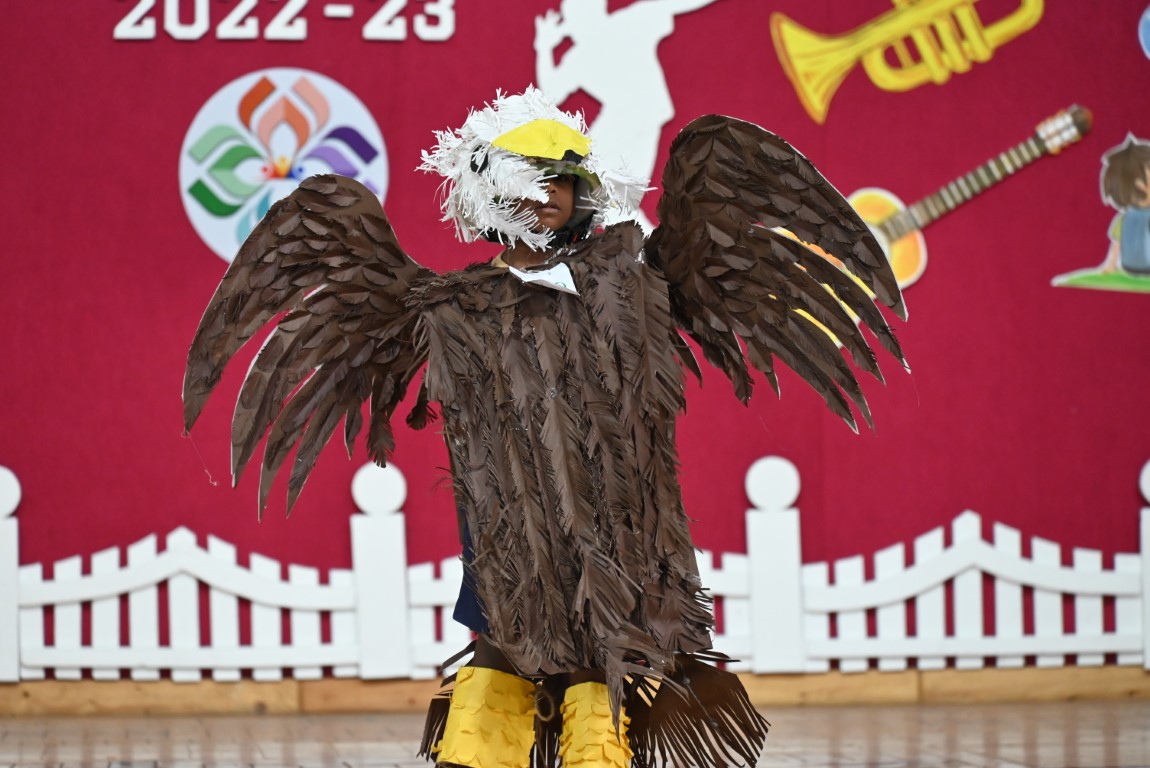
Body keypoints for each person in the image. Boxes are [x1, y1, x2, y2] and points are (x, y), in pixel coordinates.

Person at [183, 87, 906, 768]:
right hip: (506, 530)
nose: (549, 193)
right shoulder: (456, 307)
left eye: (563, 180)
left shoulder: (630, 283)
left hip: (615, 528)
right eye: (532, 176)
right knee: (499, 654)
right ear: (487, 187)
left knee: (598, 665)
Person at [1099, 135, 1150, 275]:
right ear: (1140, 185)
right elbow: (1117, 243)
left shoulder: (1126, 217)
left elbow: (1116, 243)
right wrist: (1110, 264)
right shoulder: (1128, 218)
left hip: (1130, 267)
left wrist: (1111, 265)